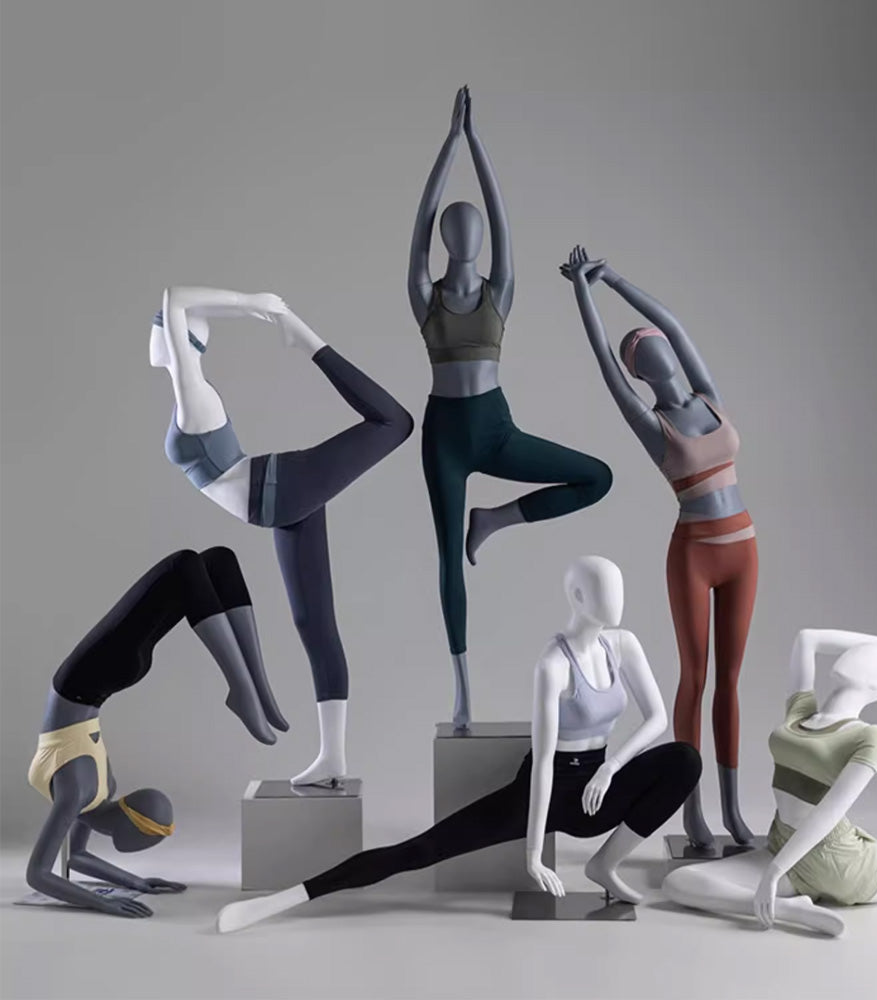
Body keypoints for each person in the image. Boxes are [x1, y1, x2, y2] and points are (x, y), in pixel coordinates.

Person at [216, 556, 701, 933]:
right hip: (548, 789)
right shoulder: (552, 665)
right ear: (577, 596)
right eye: (604, 590)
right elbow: (543, 763)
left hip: (599, 785)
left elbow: (658, 717)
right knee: (420, 849)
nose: (617, 599)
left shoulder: (623, 645)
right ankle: (281, 901)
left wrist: (611, 767)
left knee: (684, 760)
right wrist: (533, 854)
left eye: (618, 587)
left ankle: (604, 865)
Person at [409, 90, 612, 728]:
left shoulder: (502, 290)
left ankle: (495, 519)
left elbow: (500, 220)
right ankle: (463, 692)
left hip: (494, 430)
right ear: (446, 239)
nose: (467, 235)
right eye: (455, 228)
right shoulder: (423, 293)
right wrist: (450, 142)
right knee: (447, 557)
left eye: (471, 230)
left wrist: (475, 142)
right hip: (444, 436)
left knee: (596, 477)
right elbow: (422, 219)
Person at [152, 288, 413, 784]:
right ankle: (332, 757)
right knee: (312, 623)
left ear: (177, 340)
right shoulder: (187, 394)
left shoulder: (193, 396)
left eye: (158, 326)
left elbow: (175, 298)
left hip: (283, 490)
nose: (152, 333)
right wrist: (246, 307)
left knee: (394, 422)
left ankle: (307, 341)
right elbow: (178, 307)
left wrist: (252, 303)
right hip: (280, 501)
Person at [562, 246, 755, 848]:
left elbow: (671, 321)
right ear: (641, 372)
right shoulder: (653, 425)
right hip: (694, 554)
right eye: (645, 351)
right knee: (694, 677)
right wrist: (582, 292)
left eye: (660, 344)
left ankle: (733, 811)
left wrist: (614, 278)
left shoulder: (708, 396)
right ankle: (692, 812)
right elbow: (605, 363)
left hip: (743, 548)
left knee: (731, 680)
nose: (660, 348)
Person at [662, 629, 877, 936]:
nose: (862, 651)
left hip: (840, 862)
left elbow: (829, 811)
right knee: (678, 882)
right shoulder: (799, 714)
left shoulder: (869, 736)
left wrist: (774, 872)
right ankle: (788, 909)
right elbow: (808, 637)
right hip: (784, 848)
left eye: (872, 656)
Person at [26, 548, 276, 916]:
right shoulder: (95, 791)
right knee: (204, 565)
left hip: (85, 681)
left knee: (193, 565)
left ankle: (248, 689)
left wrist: (128, 888)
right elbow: (71, 859)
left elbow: (42, 872)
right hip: (97, 683)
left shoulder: (81, 793)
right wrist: (122, 889)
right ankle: (253, 689)